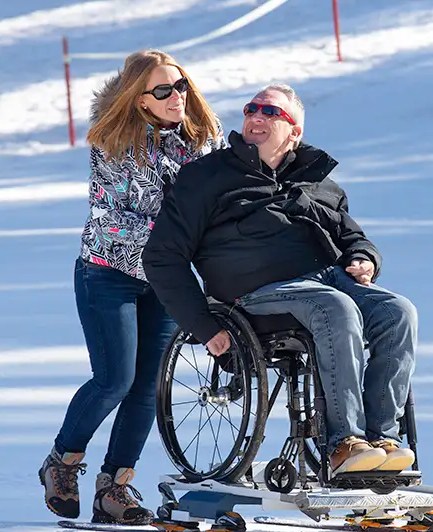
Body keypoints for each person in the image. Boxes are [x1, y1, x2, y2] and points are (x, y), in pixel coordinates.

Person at [142, 83, 416, 476]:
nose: (257, 116)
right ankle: (344, 445)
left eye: (271, 112)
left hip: (328, 281)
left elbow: (352, 236)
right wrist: (201, 324)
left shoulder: (317, 180)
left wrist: (363, 259)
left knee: (398, 312)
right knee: (333, 307)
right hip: (253, 295)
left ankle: (383, 441)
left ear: (295, 132)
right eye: (252, 109)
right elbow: (162, 255)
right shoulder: (206, 177)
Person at [39, 50, 226, 524]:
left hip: (165, 280)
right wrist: (179, 245)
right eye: (162, 90)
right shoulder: (113, 139)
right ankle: (62, 462)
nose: (175, 96)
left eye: (180, 85)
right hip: (108, 272)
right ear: (139, 99)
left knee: (148, 388)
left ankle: (114, 487)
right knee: (115, 379)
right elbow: (119, 216)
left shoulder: (204, 140)